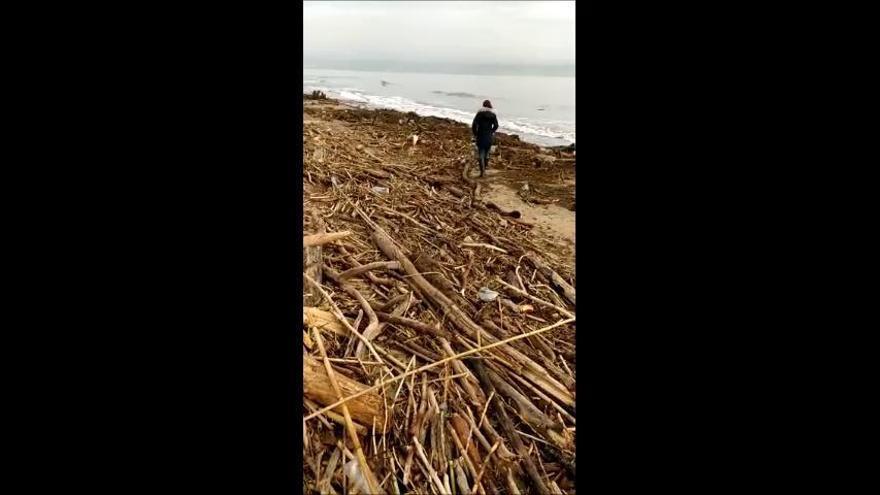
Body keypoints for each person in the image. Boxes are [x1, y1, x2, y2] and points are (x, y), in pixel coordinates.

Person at [471, 100, 498, 177]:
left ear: (483, 105)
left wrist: (475, 134)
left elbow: (474, 124)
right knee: (487, 153)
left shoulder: (480, 114)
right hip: (489, 136)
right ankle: (485, 169)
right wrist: (492, 131)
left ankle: (482, 172)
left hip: (481, 135)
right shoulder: (493, 115)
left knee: (481, 153)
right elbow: (496, 125)